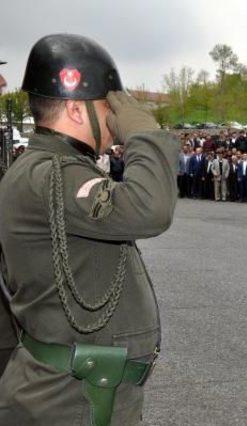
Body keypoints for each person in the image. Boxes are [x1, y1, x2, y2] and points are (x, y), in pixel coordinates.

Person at [0, 34, 178, 425]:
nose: (116, 121)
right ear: (78, 112)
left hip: (74, 392)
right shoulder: (50, 174)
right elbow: (150, 209)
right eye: (108, 106)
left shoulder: (47, 170)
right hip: (72, 400)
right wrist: (145, 134)